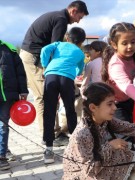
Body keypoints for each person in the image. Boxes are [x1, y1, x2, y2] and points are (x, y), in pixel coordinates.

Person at [19, 0, 88, 145]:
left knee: (51, 96)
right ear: (73, 11)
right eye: (79, 17)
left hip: (36, 54)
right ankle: (50, 135)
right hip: (33, 56)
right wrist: (46, 68)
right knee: (43, 97)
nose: (77, 21)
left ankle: (56, 132)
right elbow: (53, 48)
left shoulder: (58, 17)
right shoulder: (61, 20)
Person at [62, 82, 135, 179]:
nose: (115, 108)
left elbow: (128, 127)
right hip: (83, 176)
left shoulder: (106, 121)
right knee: (120, 152)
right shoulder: (83, 134)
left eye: (114, 103)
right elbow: (89, 171)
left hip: (99, 166)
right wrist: (110, 146)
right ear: (93, 107)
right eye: (109, 104)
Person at [40, 27, 86, 164]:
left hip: (51, 76)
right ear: (81, 42)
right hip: (67, 80)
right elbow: (80, 68)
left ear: (67, 37)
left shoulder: (58, 44)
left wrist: (45, 65)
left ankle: (49, 150)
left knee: (49, 112)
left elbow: (44, 50)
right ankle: (75, 146)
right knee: (70, 110)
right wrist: (74, 72)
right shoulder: (80, 53)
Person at [0, 40, 28, 170]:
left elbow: (20, 73)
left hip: (7, 95)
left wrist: (23, 90)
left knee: (3, 124)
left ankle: (1, 156)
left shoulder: (9, 49)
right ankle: (4, 149)